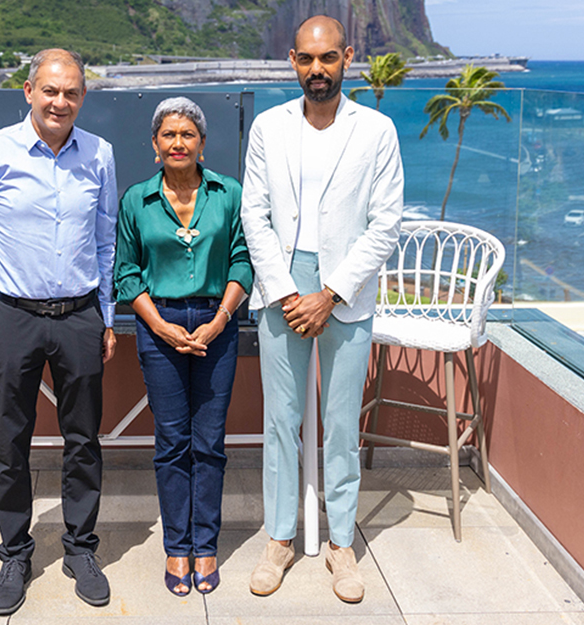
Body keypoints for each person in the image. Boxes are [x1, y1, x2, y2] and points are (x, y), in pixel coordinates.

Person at [240, 15, 404, 603]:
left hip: (346, 290)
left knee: (339, 425)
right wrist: (288, 292)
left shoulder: (377, 130)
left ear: (348, 57)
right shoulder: (268, 126)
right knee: (281, 420)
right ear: (292, 60)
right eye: (307, 59)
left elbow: (385, 223)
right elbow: (253, 215)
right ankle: (280, 539)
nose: (317, 69)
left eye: (328, 58)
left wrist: (329, 293)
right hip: (283, 285)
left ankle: (341, 544)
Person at [0, 48, 118, 616]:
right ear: (29, 92)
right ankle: (16, 553)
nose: (59, 102)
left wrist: (108, 315)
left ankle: (80, 548)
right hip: (11, 315)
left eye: (71, 93)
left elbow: (106, 241)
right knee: (9, 442)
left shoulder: (100, 154)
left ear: (82, 98)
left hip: (79, 315)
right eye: (50, 91)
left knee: (84, 440)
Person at [114, 97, 252, 597]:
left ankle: (206, 545)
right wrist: (162, 327)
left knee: (209, 442)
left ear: (202, 143)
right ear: (155, 145)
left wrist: (218, 321)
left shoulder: (228, 193)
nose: (178, 143)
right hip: (159, 324)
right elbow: (126, 274)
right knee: (172, 442)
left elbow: (242, 261)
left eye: (187, 134)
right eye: (168, 135)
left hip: (219, 322)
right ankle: (177, 547)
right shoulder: (136, 201)